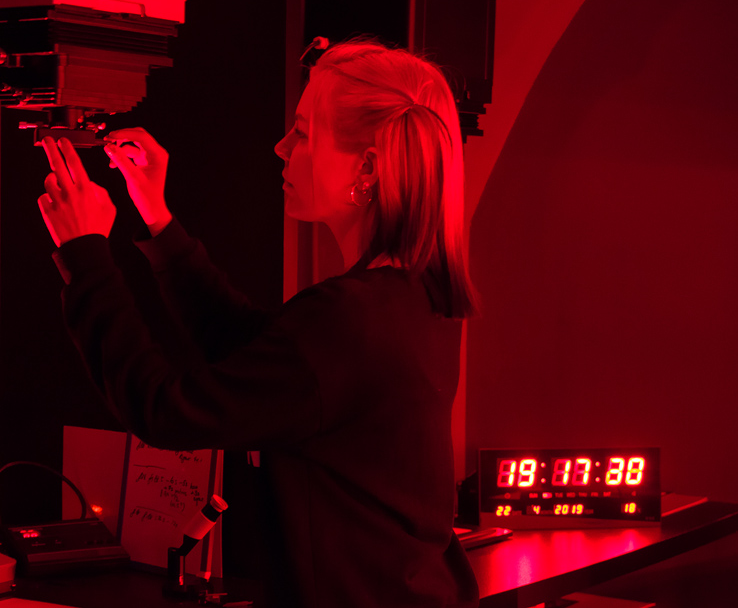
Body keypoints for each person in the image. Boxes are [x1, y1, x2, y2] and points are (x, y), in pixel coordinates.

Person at [35, 37, 480, 607]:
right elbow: (260, 354)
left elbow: (167, 412)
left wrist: (86, 254)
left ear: (365, 169)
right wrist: (157, 219)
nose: (280, 147)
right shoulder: (416, 297)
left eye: (302, 133)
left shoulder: (350, 317)